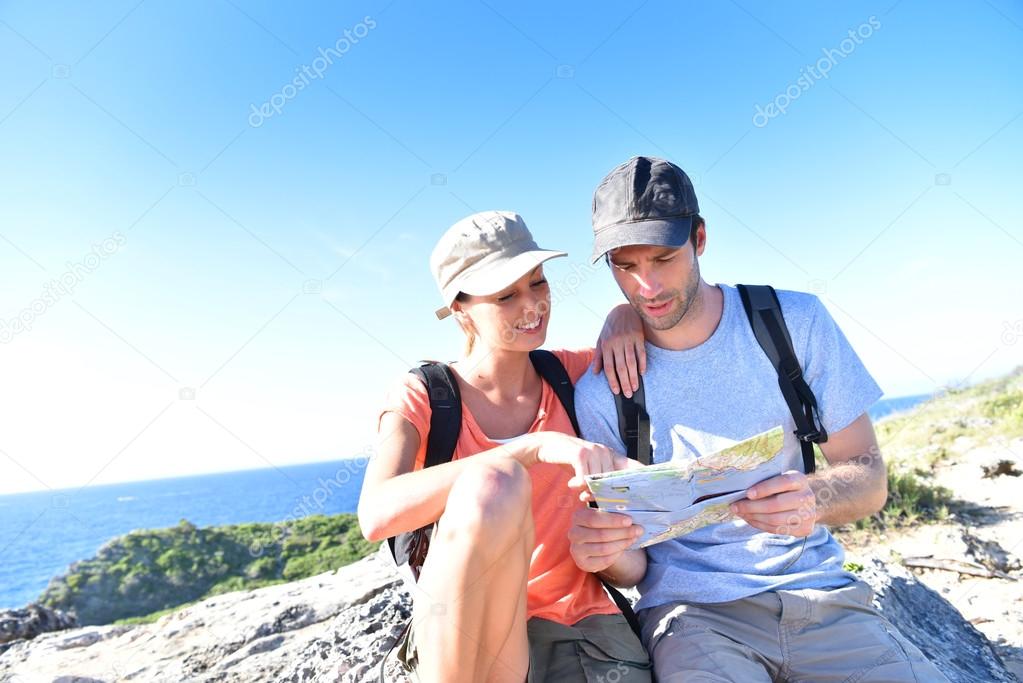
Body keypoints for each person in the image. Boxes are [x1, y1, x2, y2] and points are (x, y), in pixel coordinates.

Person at [569, 156, 949, 682]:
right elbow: (634, 564)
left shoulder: (795, 323)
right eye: (625, 266)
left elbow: (869, 479)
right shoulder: (601, 393)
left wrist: (811, 499)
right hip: (694, 621)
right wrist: (603, 554)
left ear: (699, 238)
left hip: (824, 601)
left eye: (663, 258)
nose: (647, 287)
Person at [358, 210, 652, 682]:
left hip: (585, 628)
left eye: (537, 283)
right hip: (466, 625)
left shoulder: (573, 374)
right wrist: (531, 448)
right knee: (494, 482)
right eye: (506, 295)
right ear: (460, 308)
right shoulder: (425, 395)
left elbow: (668, 338)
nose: (532, 305)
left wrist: (624, 316)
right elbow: (376, 514)